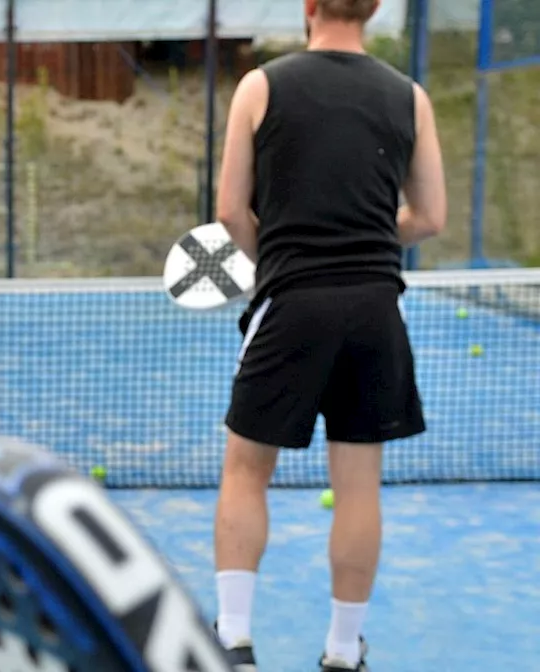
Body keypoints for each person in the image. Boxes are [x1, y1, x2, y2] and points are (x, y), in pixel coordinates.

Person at [211, 0, 447, 670]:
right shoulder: (411, 97)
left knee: (245, 473)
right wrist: (367, 239)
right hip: (376, 309)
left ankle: (233, 641)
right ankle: (344, 652)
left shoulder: (261, 87)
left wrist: (283, 254)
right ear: (372, 11)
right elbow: (430, 217)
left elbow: (230, 209)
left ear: (308, 7)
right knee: (359, 487)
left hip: (292, 304)